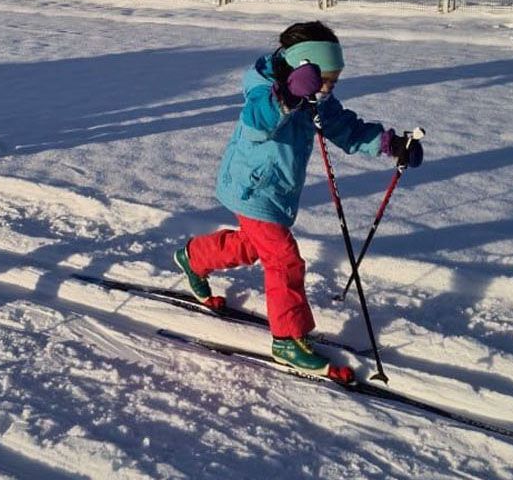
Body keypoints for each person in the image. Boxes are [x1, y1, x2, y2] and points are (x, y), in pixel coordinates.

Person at [174, 21, 423, 377]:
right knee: (284, 259)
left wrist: (391, 144)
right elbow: (258, 121)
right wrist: (287, 97)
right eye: (326, 80)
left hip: (277, 191)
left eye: (334, 81)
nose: (330, 88)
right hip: (253, 187)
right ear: (303, 68)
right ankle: (287, 339)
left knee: (252, 246)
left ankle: (194, 256)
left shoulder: (317, 98)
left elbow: (346, 129)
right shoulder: (265, 90)